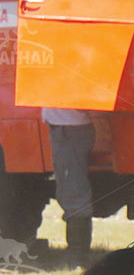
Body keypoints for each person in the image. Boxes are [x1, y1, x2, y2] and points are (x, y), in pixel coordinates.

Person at [42, 108, 98, 266]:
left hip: (68, 128)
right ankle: (77, 253)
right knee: (73, 189)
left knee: (73, 190)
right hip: (68, 127)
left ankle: (77, 255)